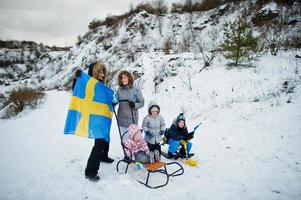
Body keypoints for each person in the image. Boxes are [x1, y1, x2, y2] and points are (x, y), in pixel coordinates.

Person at [72, 62, 114, 182]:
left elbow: (107, 100)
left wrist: (113, 99)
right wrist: (76, 79)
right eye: (100, 71)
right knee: (99, 142)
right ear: (95, 72)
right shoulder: (88, 84)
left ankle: (104, 156)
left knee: (105, 137)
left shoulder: (101, 85)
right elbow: (77, 90)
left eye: (104, 72)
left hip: (102, 117)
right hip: (94, 118)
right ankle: (90, 171)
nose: (103, 74)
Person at [116, 70, 144, 141]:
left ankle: (134, 152)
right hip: (121, 119)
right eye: (121, 78)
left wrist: (134, 105)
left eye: (125, 77)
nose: (123, 80)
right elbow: (115, 101)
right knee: (124, 141)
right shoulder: (119, 90)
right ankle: (126, 152)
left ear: (129, 78)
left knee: (133, 141)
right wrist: (113, 101)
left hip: (132, 120)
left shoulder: (135, 90)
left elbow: (142, 102)